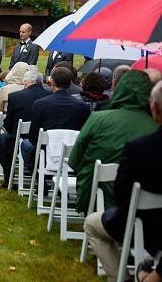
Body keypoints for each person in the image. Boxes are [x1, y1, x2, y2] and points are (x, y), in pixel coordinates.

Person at [83, 81, 162, 282]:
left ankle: (121, 278)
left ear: (154, 107)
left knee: (92, 224)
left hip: (143, 225)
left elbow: (121, 193)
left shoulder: (140, 148)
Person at [69, 70, 157, 215]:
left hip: (101, 200)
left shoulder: (97, 119)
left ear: (118, 88)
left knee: (92, 226)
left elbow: (75, 160)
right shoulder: (155, 128)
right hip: (148, 209)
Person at [24, 67, 91, 169]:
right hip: (73, 155)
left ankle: (38, 177)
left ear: (52, 82)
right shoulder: (83, 106)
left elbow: (33, 136)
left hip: (45, 152)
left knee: (25, 144)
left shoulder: (40, 104)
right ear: (70, 83)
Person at [0, 69, 50, 186]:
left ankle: (8, 177)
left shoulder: (15, 97)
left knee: (2, 140)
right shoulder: (50, 95)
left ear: (25, 82)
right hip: (45, 140)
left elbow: (9, 124)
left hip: (19, 138)